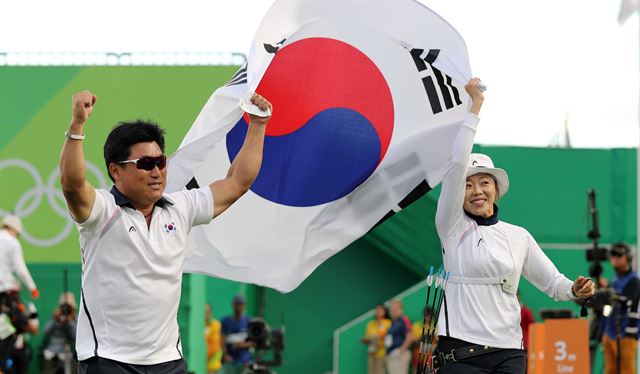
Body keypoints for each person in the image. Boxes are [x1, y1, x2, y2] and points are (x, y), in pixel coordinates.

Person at [59, 90, 271, 373]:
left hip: (168, 362)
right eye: (145, 164)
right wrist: (77, 126)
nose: (156, 171)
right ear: (116, 171)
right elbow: (73, 185)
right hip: (109, 360)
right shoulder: (101, 211)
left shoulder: (180, 208)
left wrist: (258, 125)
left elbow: (237, 182)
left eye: (160, 162)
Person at [431, 78, 595, 373]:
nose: (477, 190)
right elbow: (456, 166)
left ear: (496, 189)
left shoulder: (518, 236)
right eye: (468, 185)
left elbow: (553, 282)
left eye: (484, 182)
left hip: (510, 354)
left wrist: (575, 290)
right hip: (459, 353)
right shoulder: (451, 226)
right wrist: (475, 107)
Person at [600, 242, 639, 374]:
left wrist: (608, 293)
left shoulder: (634, 280)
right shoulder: (615, 279)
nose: (615, 258)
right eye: (612, 255)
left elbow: (628, 300)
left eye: (619, 255)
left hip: (627, 334)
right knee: (610, 370)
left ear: (627, 257)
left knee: (627, 370)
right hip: (610, 332)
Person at [0, 215, 39, 299]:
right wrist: (32, 288)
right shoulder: (13, 242)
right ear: (13, 229)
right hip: (4, 289)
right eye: (17, 233)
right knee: (14, 311)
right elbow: (20, 269)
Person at [41, 292, 77, 374]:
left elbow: (75, 336)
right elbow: (45, 331)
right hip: (52, 354)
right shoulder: (55, 317)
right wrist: (54, 319)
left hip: (68, 355)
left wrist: (70, 321)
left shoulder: (74, 318)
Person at [221, 295, 254, 374]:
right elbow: (222, 339)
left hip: (245, 361)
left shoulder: (249, 321)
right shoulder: (226, 321)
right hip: (230, 361)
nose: (239, 307)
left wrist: (241, 345)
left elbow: (254, 342)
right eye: (237, 304)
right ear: (233, 305)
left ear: (244, 306)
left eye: (241, 304)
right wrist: (225, 355)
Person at [361, 303, 391, 374]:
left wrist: (376, 336)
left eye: (381, 310)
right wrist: (365, 339)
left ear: (385, 311)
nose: (378, 311)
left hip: (383, 352)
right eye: (377, 309)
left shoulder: (388, 322)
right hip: (371, 352)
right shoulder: (370, 324)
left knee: (380, 371)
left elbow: (387, 335)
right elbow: (367, 337)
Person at [384, 300, 412, 374]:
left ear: (400, 308)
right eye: (391, 309)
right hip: (391, 355)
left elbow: (410, 336)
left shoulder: (404, 320)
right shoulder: (393, 322)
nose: (393, 311)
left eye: (395, 309)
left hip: (399, 355)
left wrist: (400, 351)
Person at [411, 307, 437, 372]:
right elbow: (413, 341)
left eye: (430, 315)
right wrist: (422, 338)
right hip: (418, 355)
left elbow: (439, 340)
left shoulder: (436, 326)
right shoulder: (417, 325)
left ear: (433, 316)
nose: (428, 317)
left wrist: (433, 336)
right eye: (426, 315)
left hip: (431, 355)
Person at [205, 304, 222, 374]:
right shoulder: (199, 324)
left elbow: (214, 346)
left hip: (212, 366)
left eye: (208, 311)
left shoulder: (215, 324)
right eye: (204, 311)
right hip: (201, 365)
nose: (206, 314)